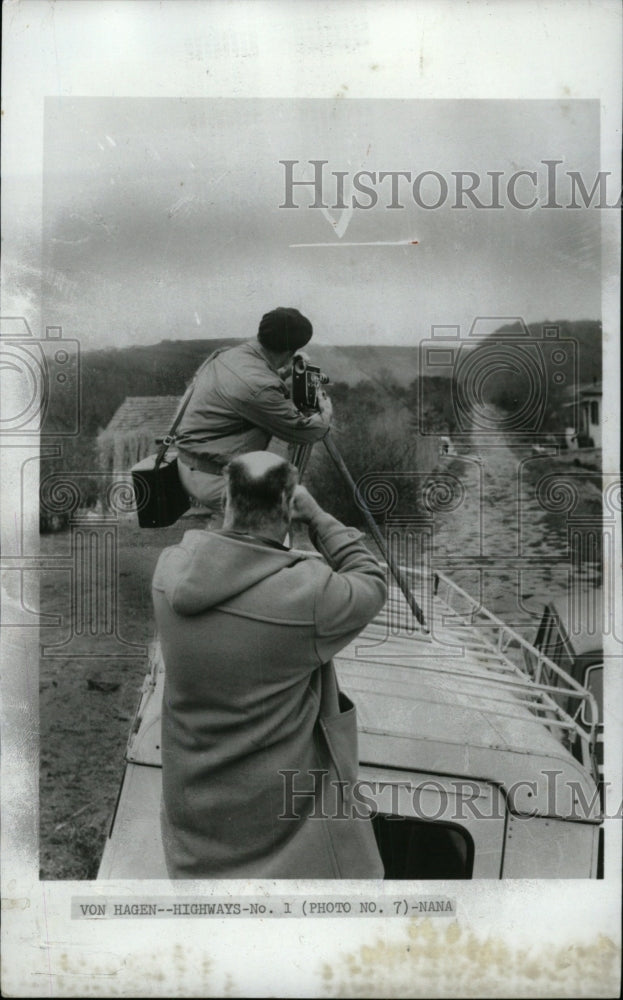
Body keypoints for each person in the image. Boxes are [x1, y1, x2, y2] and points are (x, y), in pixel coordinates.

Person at [152, 450, 387, 879]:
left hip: (196, 835)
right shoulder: (309, 596)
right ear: (287, 503)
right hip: (284, 839)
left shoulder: (168, 575)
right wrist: (315, 517)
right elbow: (370, 578)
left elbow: (206, 548)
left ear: (226, 501)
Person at [174, 306, 332, 511]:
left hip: (191, 466)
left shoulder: (231, 354)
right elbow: (306, 431)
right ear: (288, 351)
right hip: (214, 479)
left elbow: (250, 386)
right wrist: (325, 407)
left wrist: (283, 374)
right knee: (285, 512)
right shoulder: (259, 386)